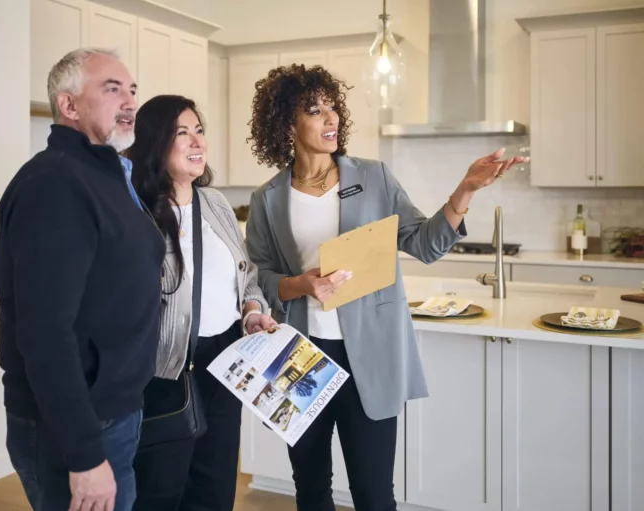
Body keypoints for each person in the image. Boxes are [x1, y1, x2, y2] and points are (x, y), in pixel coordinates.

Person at [244, 64, 528, 511]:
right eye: (315, 111)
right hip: (298, 356)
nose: (331, 118)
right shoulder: (268, 198)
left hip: (369, 356)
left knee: (374, 494)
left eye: (332, 107)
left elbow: (424, 243)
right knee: (310, 489)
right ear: (287, 124)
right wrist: (300, 284)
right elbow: (256, 275)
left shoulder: (373, 177)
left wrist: (465, 190)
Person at [0, 48, 165, 511]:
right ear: (69, 106)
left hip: (115, 410)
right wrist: (86, 456)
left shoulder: (107, 176)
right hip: (76, 425)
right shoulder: (55, 185)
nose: (130, 101)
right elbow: (45, 333)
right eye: (112, 89)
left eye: (132, 90)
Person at [124, 94, 277, 511]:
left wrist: (252, 312)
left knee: (214, 490)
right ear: (155, 142)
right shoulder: (134, 212)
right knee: (161, 492)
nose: (198, 142)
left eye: (200, 131)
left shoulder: (215, 202)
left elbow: (246, 275)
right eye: (182, 133)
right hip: (165, 372)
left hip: (225, 365)